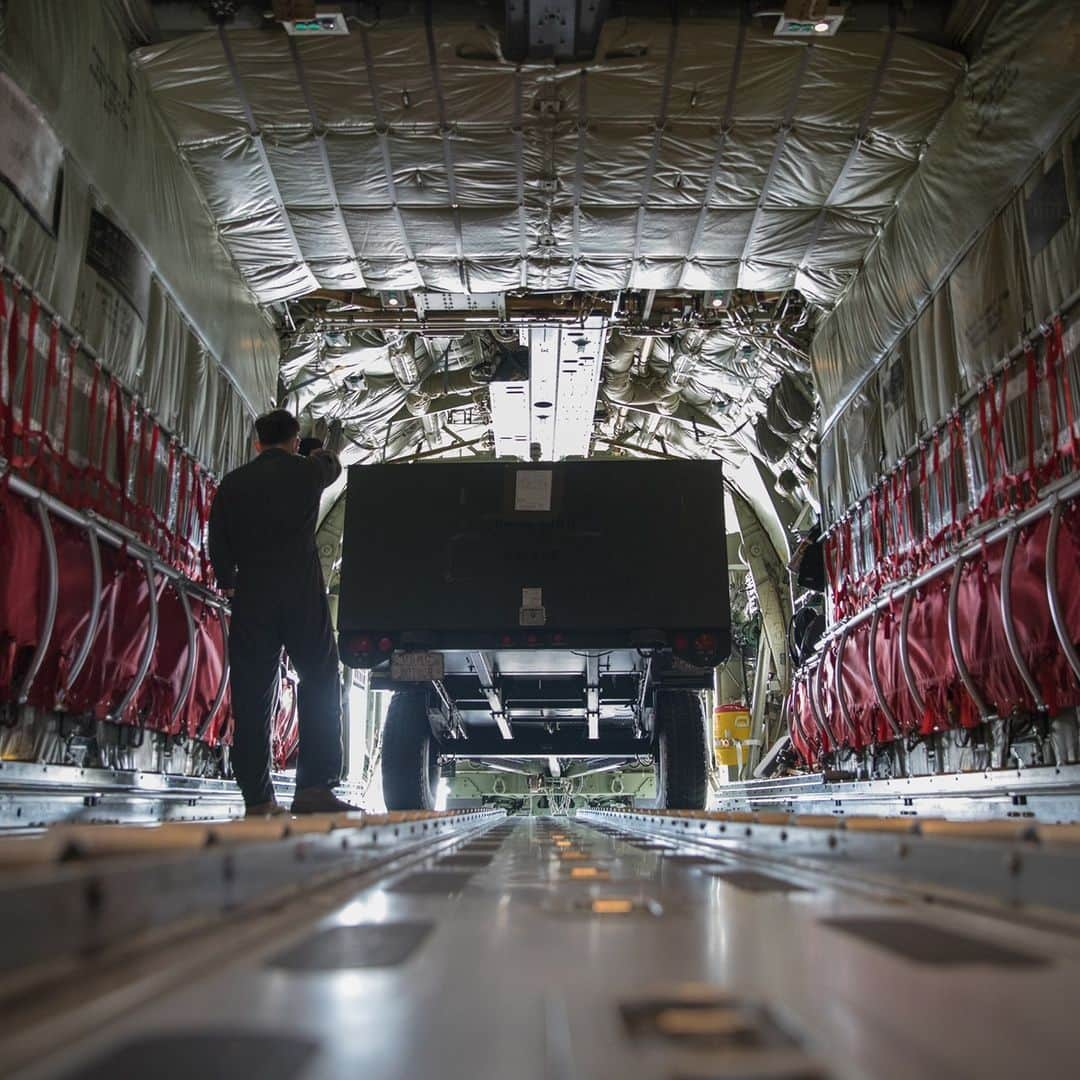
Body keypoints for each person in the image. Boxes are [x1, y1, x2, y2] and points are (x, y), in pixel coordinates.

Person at [208, 408, 358, 816]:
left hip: (253, 593)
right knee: (321, 680)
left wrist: (229, 580)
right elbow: (330, 464)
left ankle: (257, 800)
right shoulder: (306, 474)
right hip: (300, 593)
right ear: (294, 442)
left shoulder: (233, 483)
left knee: (252, 695)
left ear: (257, 444)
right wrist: (314, 451)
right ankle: (314, 789)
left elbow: (216, 541)